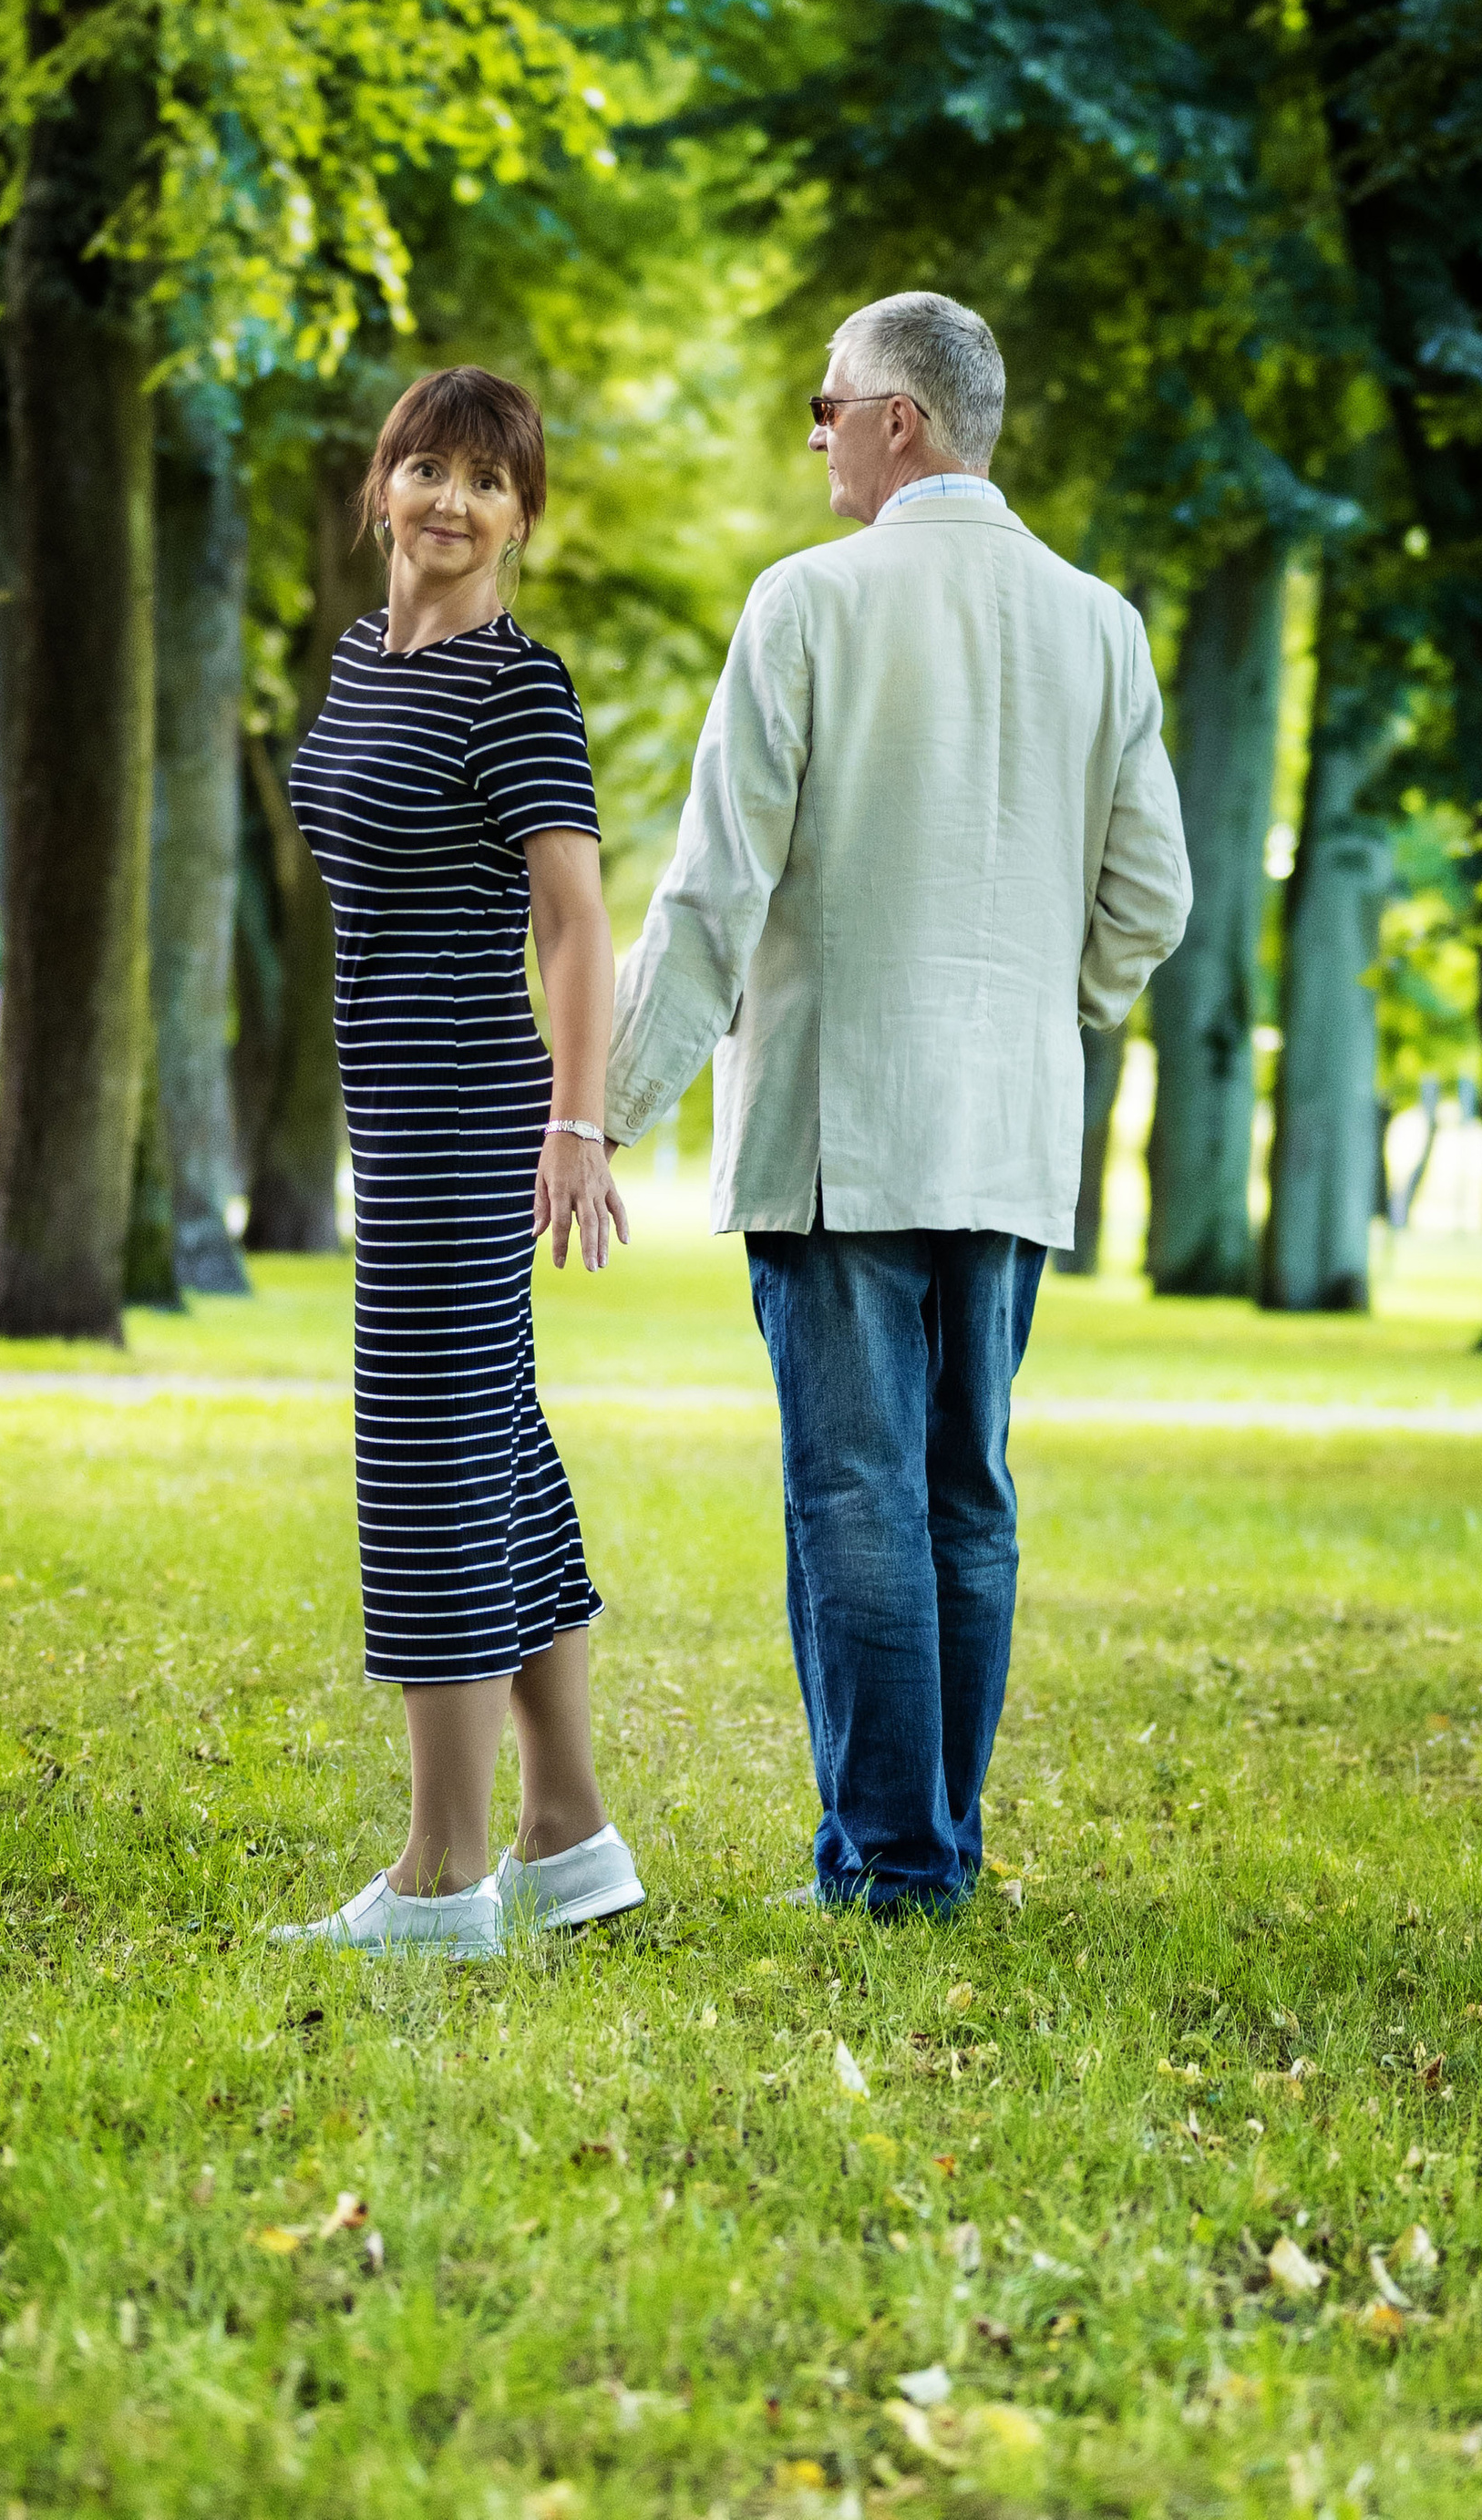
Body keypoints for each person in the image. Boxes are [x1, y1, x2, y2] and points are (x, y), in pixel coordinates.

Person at [605, 292, 1191, 1916]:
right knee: (965, 1497)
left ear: (899, 422)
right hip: (1007, 1135)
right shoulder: (1102, 624)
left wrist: (605, 1111)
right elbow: (1151, 898)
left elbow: (715, 893)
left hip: (837, 1135)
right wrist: (1041, 1019)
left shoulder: (807, 605)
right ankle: (936, 1843)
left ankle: (892, 1868)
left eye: (826, 405)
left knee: (857, 1493)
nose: (814, 436)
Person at [274, 366, 643, 1958]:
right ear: (381, 489)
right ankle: (568, 1838)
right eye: (425, 467)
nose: (450, 501)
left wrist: (578, 1120)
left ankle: (442, 1874)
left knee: (426, 1463)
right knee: (493, 1441)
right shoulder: (363, 662)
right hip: (397, 1106)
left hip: (477, 1117)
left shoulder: (518, 686)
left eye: (487, 483)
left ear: (522, 518)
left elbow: (571, 919)